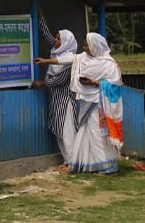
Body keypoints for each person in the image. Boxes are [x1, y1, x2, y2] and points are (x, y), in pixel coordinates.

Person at [67, 32, 124, 175]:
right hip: (87, 101)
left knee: (98, 135)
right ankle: (90, 165)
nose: (84, 47)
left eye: (87, 44)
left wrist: (93, 83)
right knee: (85, 133)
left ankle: (110, 168)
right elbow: (65, 60)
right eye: (85, 44)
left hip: (99, 105)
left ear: (95, 45)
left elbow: (115, 85)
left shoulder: (109, 64)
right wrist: (44, 61)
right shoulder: (84, 59)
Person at [33, 30, 79, 171]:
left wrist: (42, 83)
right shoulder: (57, 55)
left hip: (65, 101)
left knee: (67, 133)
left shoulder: (70, 60)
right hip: (56, 100)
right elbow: (48, 38)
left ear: (65, 43)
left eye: (58, 38)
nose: (55, 40)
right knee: (59, 132)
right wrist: (41, 18)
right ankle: (67, 161)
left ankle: (73, 162)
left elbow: (61, 79)